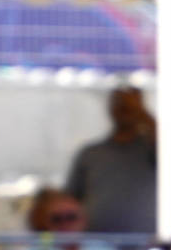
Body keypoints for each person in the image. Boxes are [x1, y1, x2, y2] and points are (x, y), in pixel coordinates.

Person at [65, 86, 158, 241]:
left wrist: (144, 116)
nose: (125, 109)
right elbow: (70, 200)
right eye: (119, 104)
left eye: (130, 106)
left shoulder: (152, 150)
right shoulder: (90, 154)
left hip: (143, 246)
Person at [7, 188, 123, 250]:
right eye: (56, 219)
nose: (65, 224)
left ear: (84, 219)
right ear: (45, 223)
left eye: (71, 217)